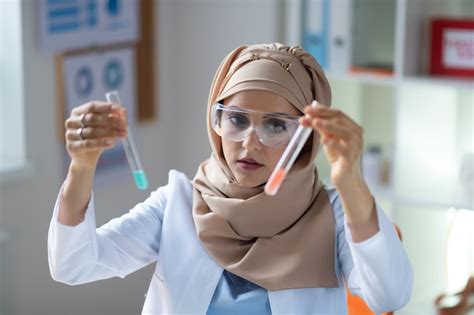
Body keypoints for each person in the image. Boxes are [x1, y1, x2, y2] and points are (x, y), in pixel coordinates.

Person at [48, 43, 414, 314]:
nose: (250, 142)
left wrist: (351, 183)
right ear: (216, 121)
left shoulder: (333, 215)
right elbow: (74, 265)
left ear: (307, 136)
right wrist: (82, 166)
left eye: (275, 125)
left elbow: (389, 295)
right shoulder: (179, 202)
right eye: (237, 119)